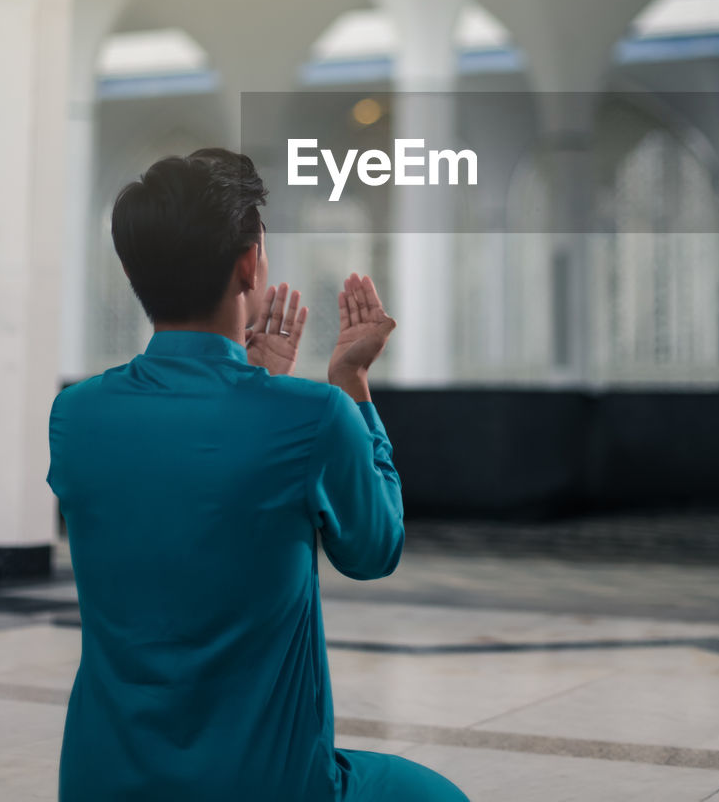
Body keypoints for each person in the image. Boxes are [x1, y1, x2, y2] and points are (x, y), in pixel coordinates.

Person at [47, 147, 470, 802]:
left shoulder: (74, 416)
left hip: (103, 782)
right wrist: (350, 385)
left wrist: (257, 386)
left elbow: (184, 508)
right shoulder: (313, 416)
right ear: (248, 263)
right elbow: (373, 550)